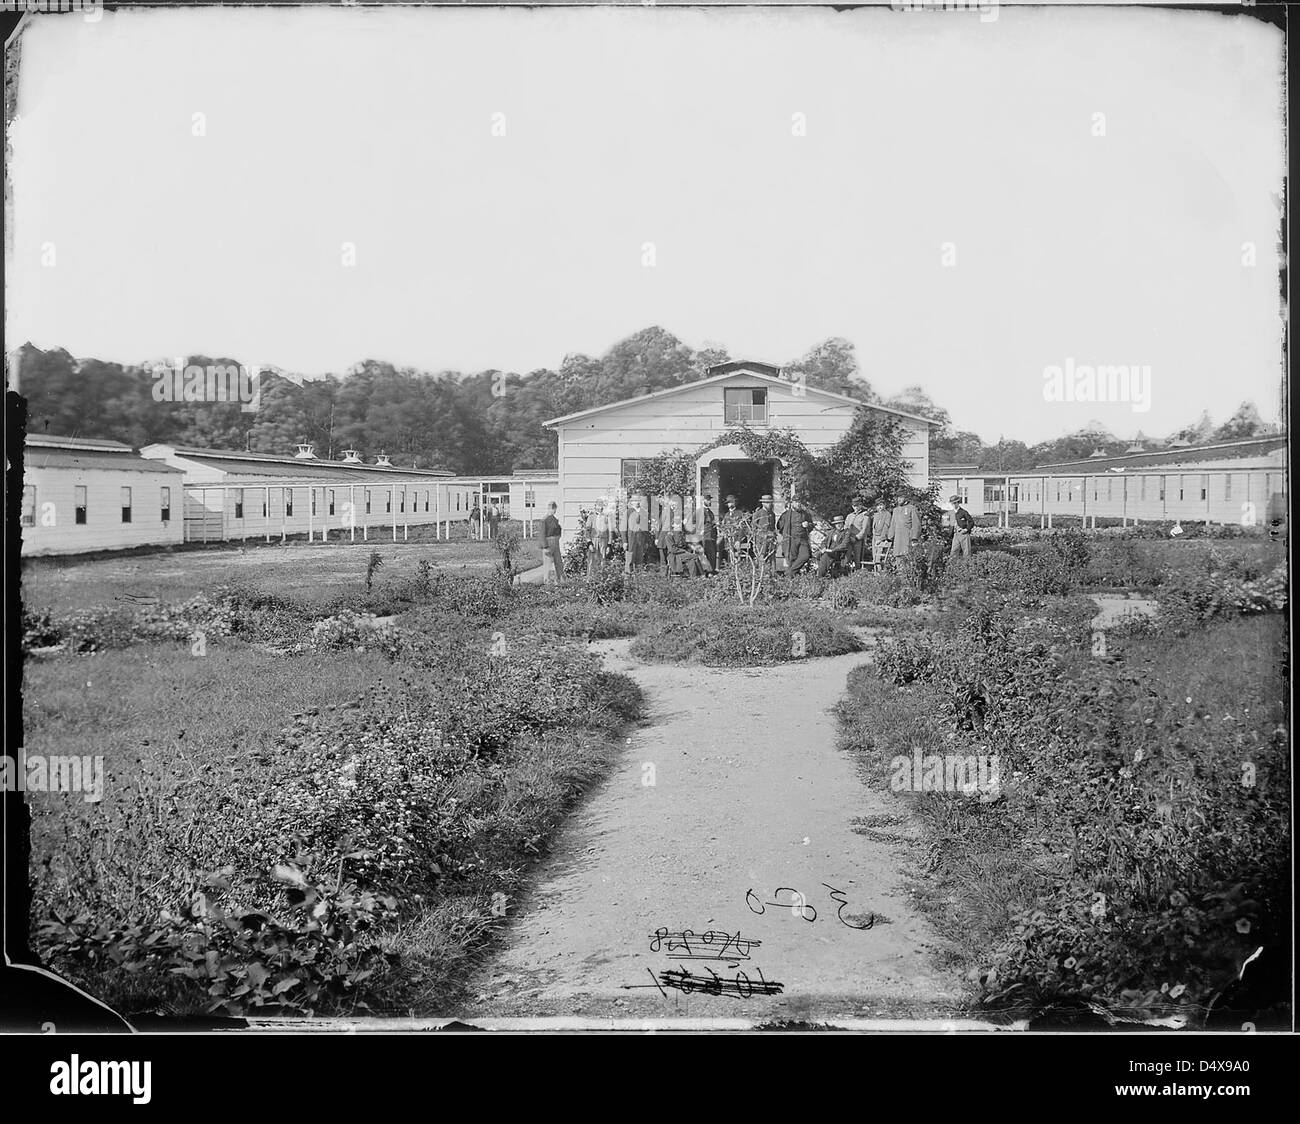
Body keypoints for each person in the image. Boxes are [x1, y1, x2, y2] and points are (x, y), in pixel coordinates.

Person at [777, 494, 814, 575]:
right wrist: (786, 536)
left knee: (805, 555)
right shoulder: (786, 515)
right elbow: (779, 527)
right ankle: (792, 579)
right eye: (796, 502)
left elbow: (812, 525)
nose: (798, 504)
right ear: (792, 503)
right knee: (791, 559)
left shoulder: (805, 514)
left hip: (803, 539)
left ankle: (788, 573)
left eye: (799, 502)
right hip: (791, 540)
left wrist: (808, 525)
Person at [889, 490, 922, 560]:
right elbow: (892, 525)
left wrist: (914, 538)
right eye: (898, 498)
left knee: (907, 557)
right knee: (897, 557)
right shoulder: (895, 510)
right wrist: (889, 538)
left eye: (901, 497)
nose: (899, 499)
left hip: (907, 539)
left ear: (906, 498)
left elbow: (916, 524)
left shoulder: (912, 508)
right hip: (897, 539)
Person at [719, 494, 749, 567]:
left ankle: (738, 570)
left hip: (738, 539)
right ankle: (730, 569)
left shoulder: (740, 513)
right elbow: (724, 528)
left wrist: (739, 540)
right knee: (729, 556)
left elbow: (743, 528)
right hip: (729, 540)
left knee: (737, 556)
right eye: (729, 502)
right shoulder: (726, 515)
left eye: (732, 502)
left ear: (735, 503)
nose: (730, 504)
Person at [751, 493, 777, 576]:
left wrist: (774, 536)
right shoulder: (758, 513)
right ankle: (761, 575)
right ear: (763, 503)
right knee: (762, 558)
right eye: (767, 503)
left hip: (771, 539)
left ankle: (772, 575)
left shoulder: (772, 514)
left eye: (770, 503)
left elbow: (773, 527)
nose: (769, 504)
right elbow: (753, 527)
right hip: (761, 540)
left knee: (772, 557)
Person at [845, 496, 872, 570]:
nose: (856, 507)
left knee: (858, 559)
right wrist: (847, 537)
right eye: (854, 506)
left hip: (858, 541)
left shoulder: (864, 516)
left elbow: (865, 530)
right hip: (849, 540)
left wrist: (856, 538)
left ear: (860, 505)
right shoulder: (849, 516)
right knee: (846, 557)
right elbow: (845, 528)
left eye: (857, 505)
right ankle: (846, 573)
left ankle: (858, 574)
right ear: (852, 506)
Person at [541, 501, 564, 583]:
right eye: (552, 509)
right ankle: (547, 581)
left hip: (555, 542)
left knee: (558, 561)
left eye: (554, 509)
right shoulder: (545, 520)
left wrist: (558, 536)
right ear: (548, 509)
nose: (553, 511)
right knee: (548, 562)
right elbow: (542, 533)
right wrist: (545, 546)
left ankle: (560, 579)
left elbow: (558, 530)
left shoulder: (554, 519)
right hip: (548, 541)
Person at [699, 493, 719, 574]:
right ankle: (707, 572)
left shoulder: (710, 512)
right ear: (703, 501)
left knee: (712, 554)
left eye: (710, 500)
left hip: (713, 536)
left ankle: (712, 572)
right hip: (706, 536)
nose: (710, 501)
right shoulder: (700, 511)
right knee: (707, 554)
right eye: (708, 500)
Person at [870, 500, 893, 570]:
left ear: (884, 505)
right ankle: (875, 572)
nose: (880, 507)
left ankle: (880, 572)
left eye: (881, 505)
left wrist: (881, 539)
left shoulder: (887, 514)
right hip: (875, 537)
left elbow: (886, 527)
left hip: (882, 538)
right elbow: (873, 526)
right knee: (874, 556)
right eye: (878, 505)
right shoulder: (876, 514)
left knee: (879, 557)